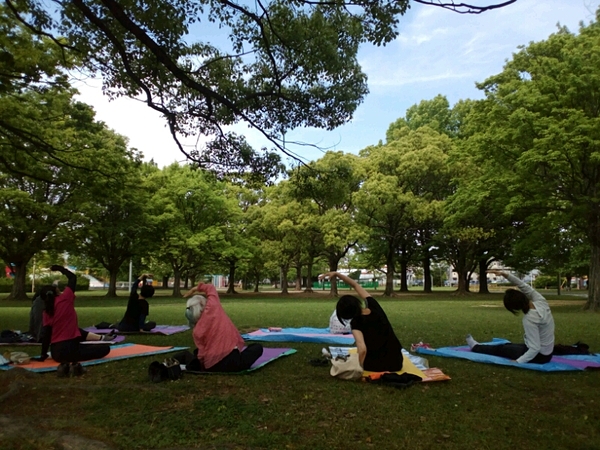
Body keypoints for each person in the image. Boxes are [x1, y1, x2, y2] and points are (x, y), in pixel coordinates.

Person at [466, 269, 555, 364]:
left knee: (501, 349)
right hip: (547, 353)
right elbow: (523, 286)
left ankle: (476, 347)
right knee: (509, 346)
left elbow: (535, 348)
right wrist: (505, 275)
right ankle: (479, 346)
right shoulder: (541, 302)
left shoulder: (530, 319)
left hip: (539, 357)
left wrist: (519, 361)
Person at [320, 271, 404, 372]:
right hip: (397, 361)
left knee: (349, 360)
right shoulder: (374, 306)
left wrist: (358, 368)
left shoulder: (356, 323)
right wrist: (337, 274)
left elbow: (362, 349)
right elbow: (355, 285)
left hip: (378, 365)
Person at [40, 265, 111, 377]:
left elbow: (46, 334)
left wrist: (43, 354)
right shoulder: (65, 298)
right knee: (104, 348)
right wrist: (59, 268)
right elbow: (72, 278)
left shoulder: (46, 311)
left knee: (82, 343)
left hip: (56, 353)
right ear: (56, 291)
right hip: (70, 350)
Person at [182, 281, 263, 372]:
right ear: (203, 305)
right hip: (233, 362)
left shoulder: (196, 331)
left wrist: (202, 365)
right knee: (257, 347)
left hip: (212, 366)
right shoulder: (212, 308)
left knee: (198, 351)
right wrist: (195, 289)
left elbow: (202, 353)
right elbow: (210, 288)